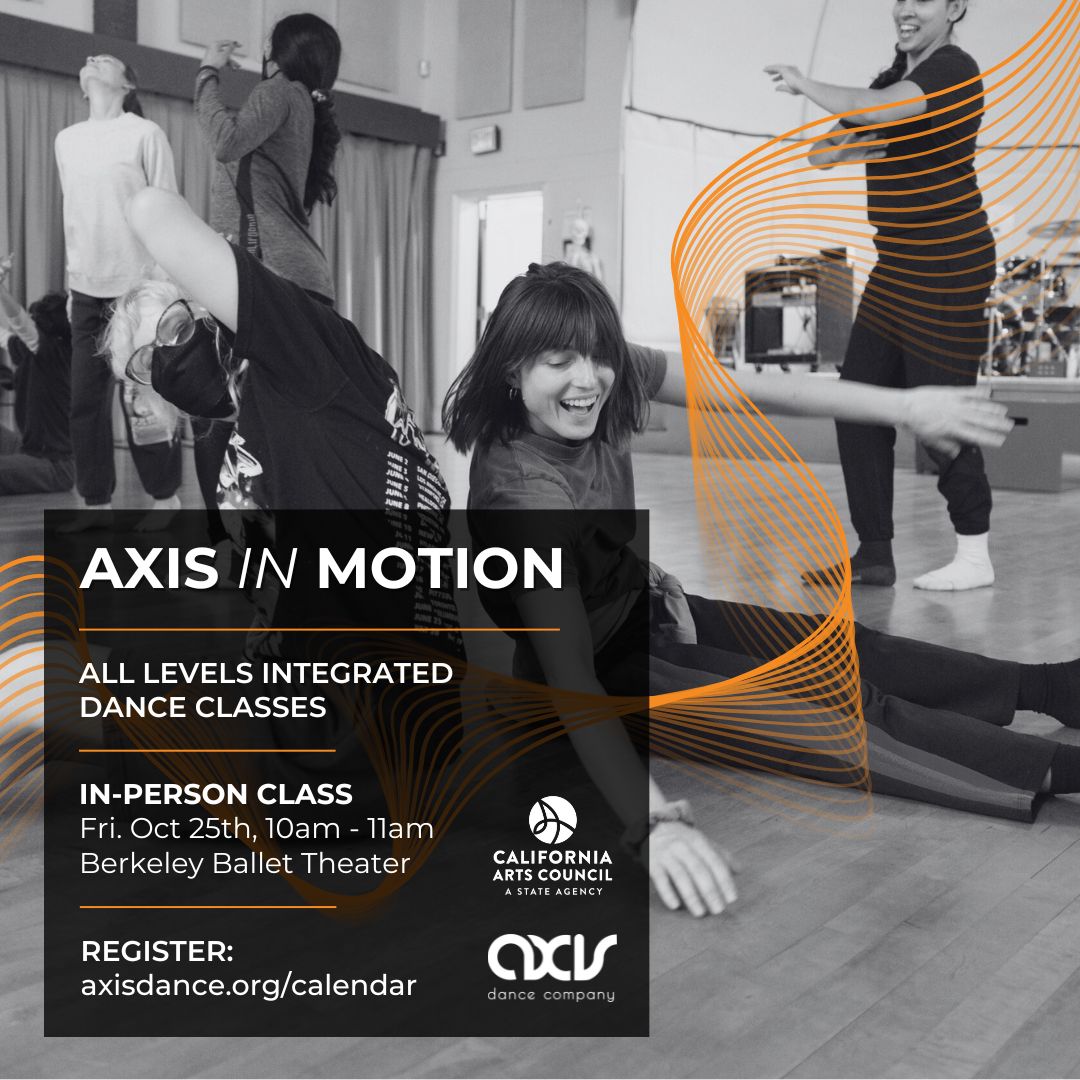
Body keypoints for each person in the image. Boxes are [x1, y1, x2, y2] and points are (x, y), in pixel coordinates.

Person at [443, 261, 1080, 919]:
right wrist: (651, 823)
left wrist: (906, 406)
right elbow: (574, 677)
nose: (587, 379)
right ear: (512, 372)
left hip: (644, 607)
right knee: (832, 708)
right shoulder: (522, 499)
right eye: (557, 362)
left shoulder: (603, 371)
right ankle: (1051, 769)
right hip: (599, 673)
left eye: (597, 356)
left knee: (845, 647)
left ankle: (1050, 687)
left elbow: (753, 391)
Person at [765, 0, 997, 591]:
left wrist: (809, 84)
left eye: (920, 0)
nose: (904, 10)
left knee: (939, 414)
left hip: (949, 261)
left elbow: (875, 113)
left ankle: (974, 554)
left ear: (953, 8)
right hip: (898, 264)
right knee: (858, 405)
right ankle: (874, 554)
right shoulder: (891, 82)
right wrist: (874, 129)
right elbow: (824, 155)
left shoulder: (953, 69)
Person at [193, 15, 342, 555]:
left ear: (275, 51)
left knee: (213, 405)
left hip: (265, 276)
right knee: (260, 413)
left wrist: (207, 73)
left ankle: (228, 538)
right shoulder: (301, 102)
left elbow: (226, 141)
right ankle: (259, 537)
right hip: (287, 276)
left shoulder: (280, 91)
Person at [54, 54, 183, 524]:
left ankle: (166, 497)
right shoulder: (66, 140)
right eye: (87, 59)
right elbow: (75, 220)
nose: (89, 60)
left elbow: (166, 209)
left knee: (145, 398)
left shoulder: (145, 135)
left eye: (103, 59)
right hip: (86, 288)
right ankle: (96, 504)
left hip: (138, 286)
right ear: (83, 86)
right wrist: (72, 287)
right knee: (84, 402)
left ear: (127, 83)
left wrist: (163, 288)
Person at [0, 281, 74, 495]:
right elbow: (6, 336)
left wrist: (2, 291)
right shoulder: (30, 351)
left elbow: (20, 322)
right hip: (29, 449)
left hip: (56, 467)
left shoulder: (56, 356)